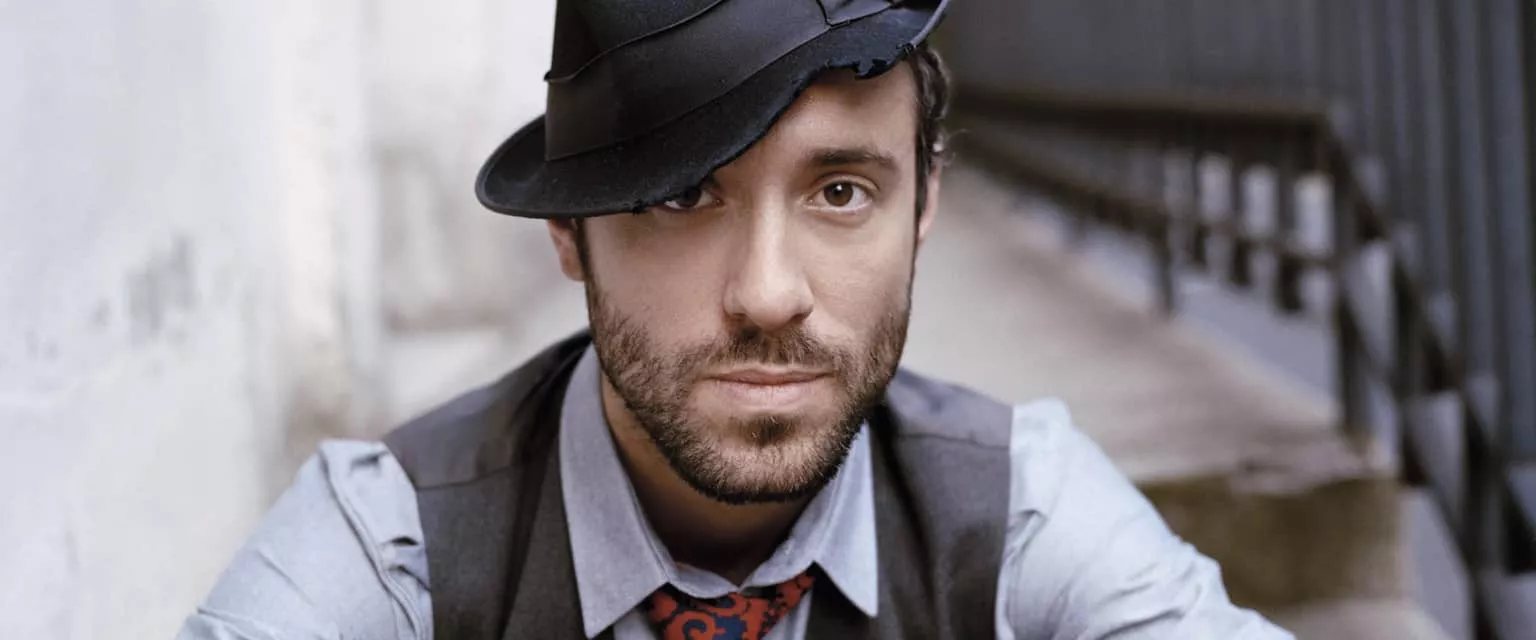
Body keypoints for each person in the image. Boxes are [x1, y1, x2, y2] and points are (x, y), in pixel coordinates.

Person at [180, 0, 1293, 638]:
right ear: (569, 231)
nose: (768, 292)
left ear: (923, 206)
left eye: (840, 191)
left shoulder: (1017, 511)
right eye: (681, 195)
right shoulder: (395, 546)